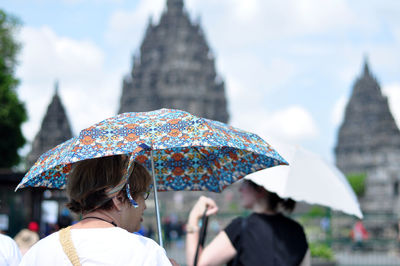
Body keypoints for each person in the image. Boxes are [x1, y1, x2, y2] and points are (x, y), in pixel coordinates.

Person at [20, 155, 176, 265]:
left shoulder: (40, 251)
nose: (145, 206)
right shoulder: (146, 252)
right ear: (119, 198)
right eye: (143, 194)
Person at [186, 179, 310, 266]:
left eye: (245, 183)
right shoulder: (297, 230)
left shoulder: (241, 228)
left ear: (260, 189)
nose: (240, 189)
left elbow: (197, 263)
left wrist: (193, 218)